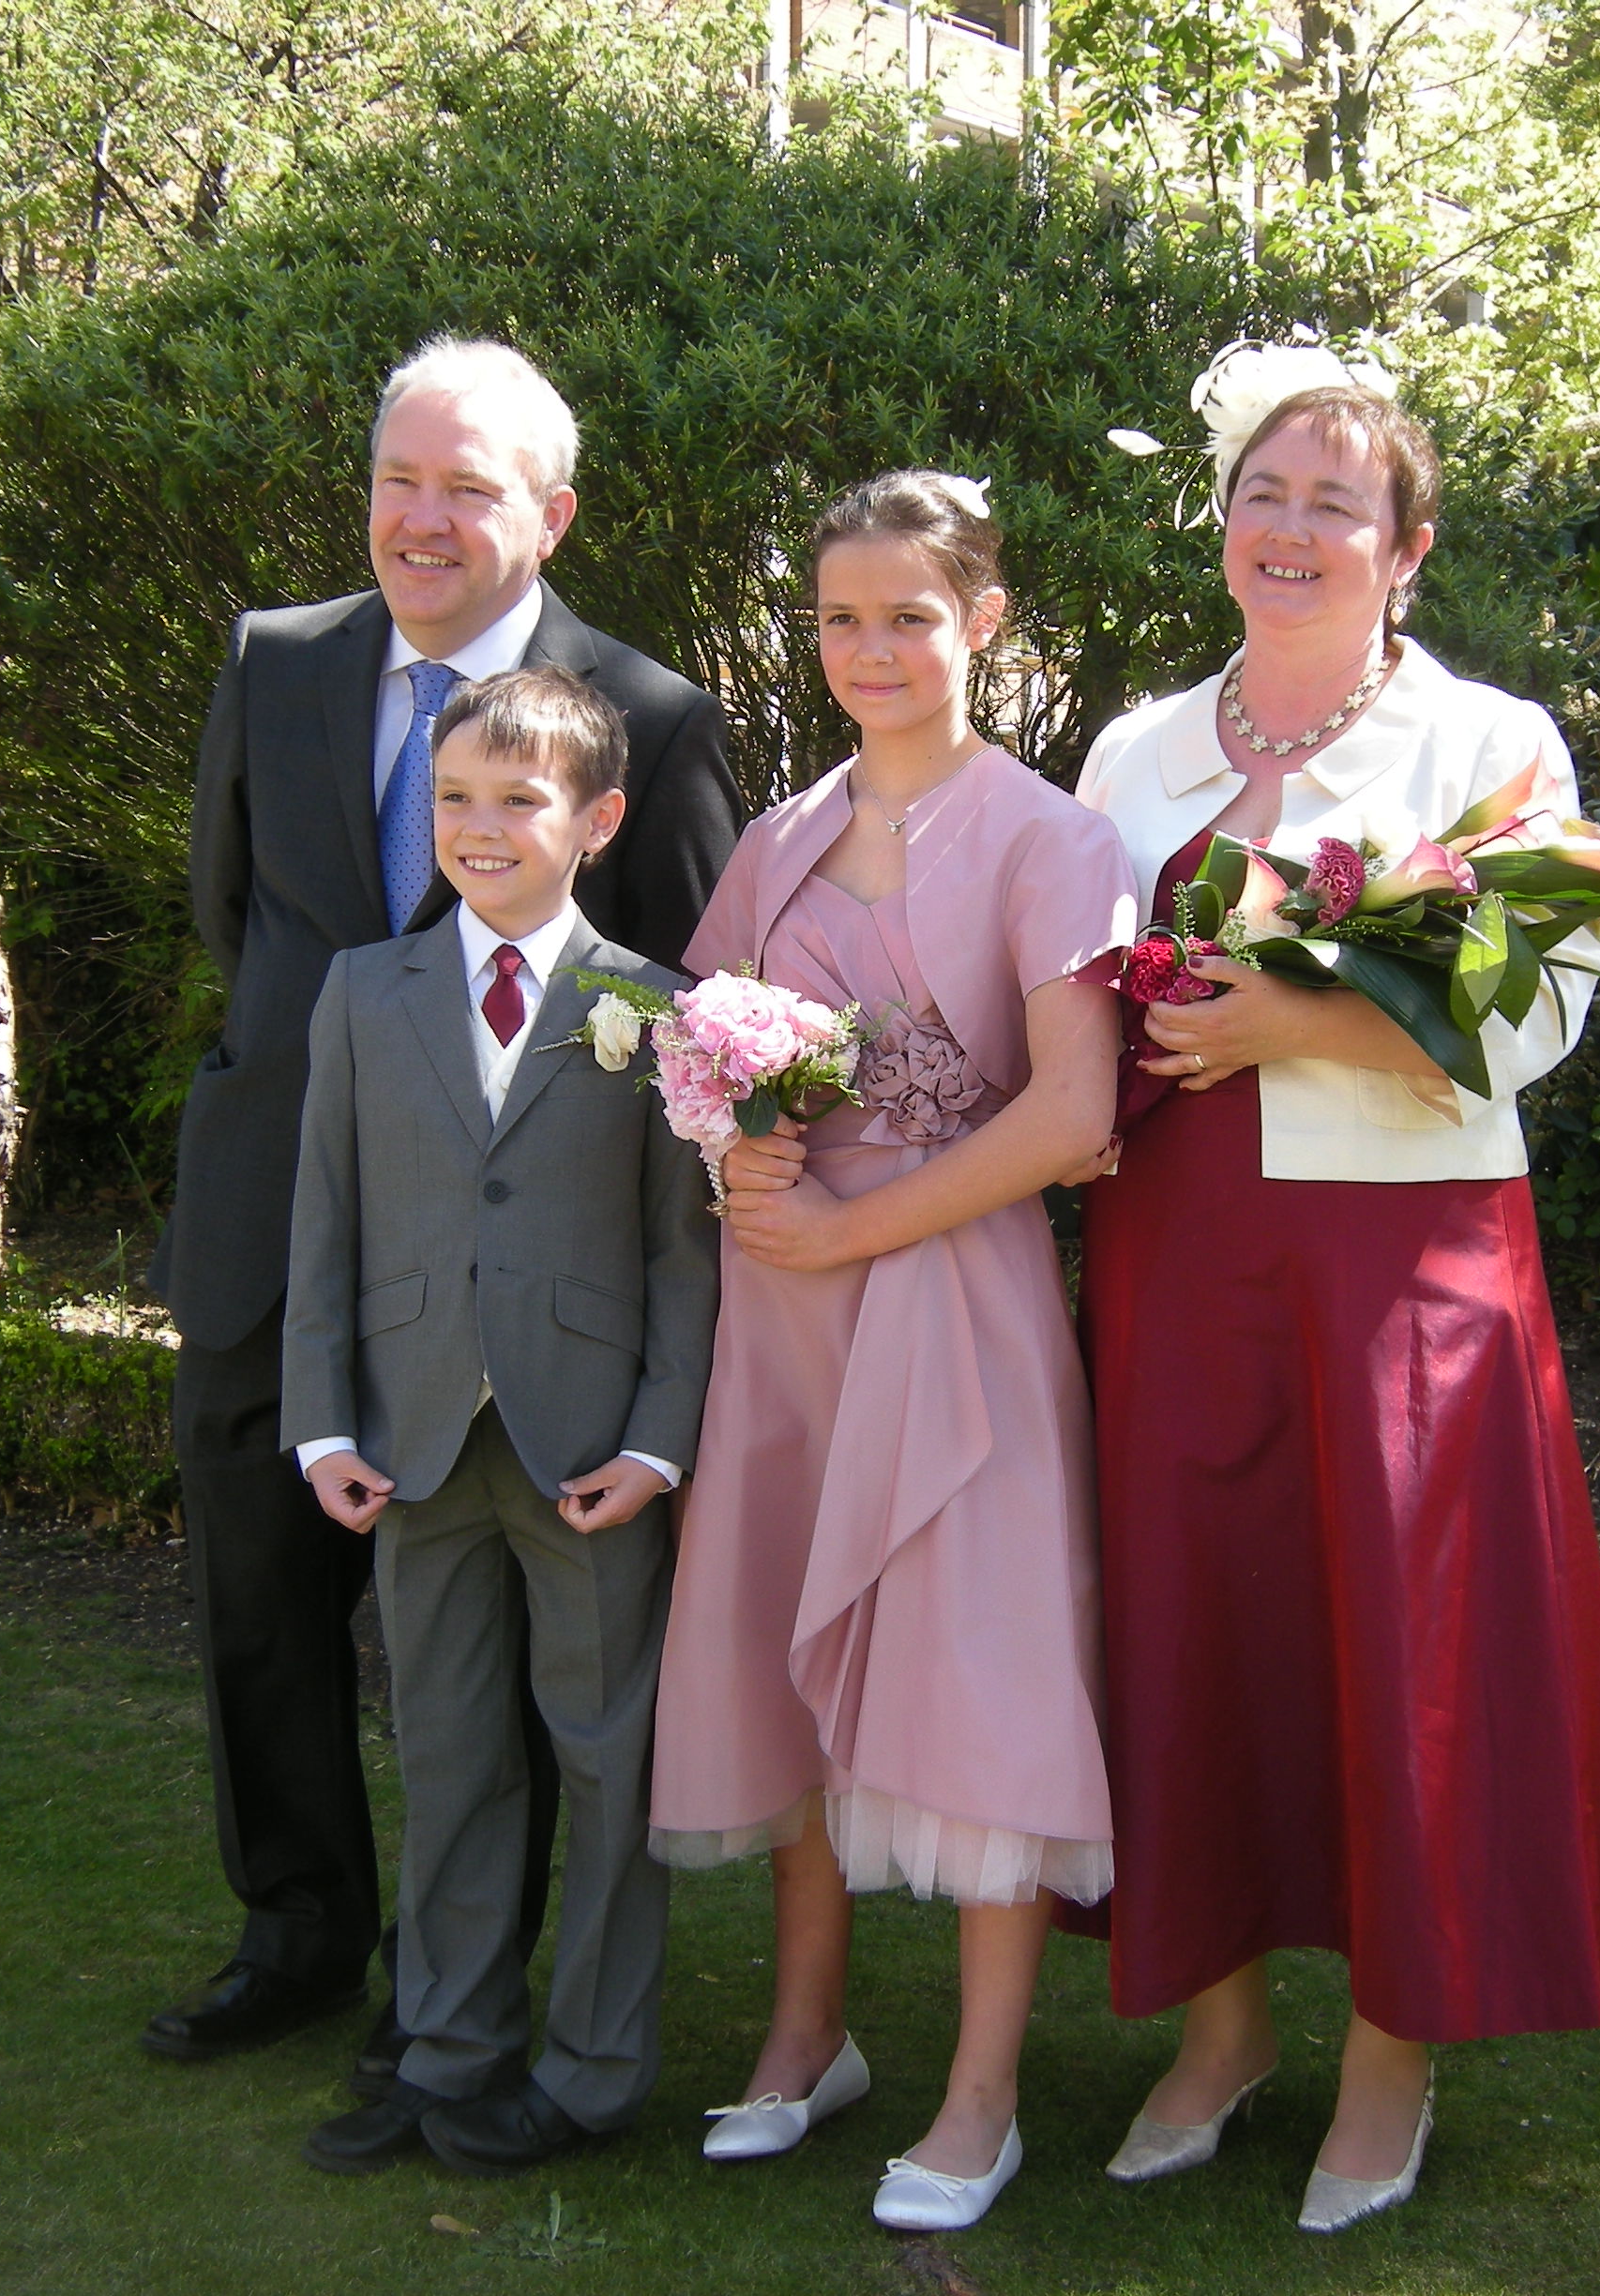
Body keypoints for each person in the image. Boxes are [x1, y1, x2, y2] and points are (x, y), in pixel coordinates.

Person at [1067, 348, 1600, 2234]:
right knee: (1191, 1624)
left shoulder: (1491, 749)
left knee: (1405, 1651)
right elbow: (1070, 991)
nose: (1292, 528)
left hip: (1407, 1271)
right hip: (1180, 1256)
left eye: (1335, 501)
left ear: (1406, 542)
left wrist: (1286, 1014)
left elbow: (1532, 1014)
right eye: (1263, 493)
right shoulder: (1134, 750)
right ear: (1222, 525)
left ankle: (1390, 2068)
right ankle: (1220, 2033)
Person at [143, 338, 739, 2079]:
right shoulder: (279, 665)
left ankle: (464, 1987)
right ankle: (302, 1932)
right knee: (259, 1604)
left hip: (527, 1300)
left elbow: (685, 1013)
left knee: (501, 1651)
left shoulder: (649, 712)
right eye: (398, 479)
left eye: (466, 487)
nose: (421, 519)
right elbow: (231, 918)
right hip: (283, 1231)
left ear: (549, 515)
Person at [648, 471, 1134, 2233]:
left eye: (910, 617)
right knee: (785, 1636)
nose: (873, 650)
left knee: (979, 1661)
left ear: (982, 624)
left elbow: (1077, 1113)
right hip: (786, 1308)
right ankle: (803, 2034)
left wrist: (854, 1220)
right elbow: (699, 1044)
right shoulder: (777, 837)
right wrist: (739, 1146)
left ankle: (984, 2091)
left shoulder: (1051, 837)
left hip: (949, 1293)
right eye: (843, 617)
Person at [280, 665, 718, 2176]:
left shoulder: (652, 1009)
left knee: (607, 1763)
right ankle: (449, 2047)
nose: (481, 825)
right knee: (453, 1753)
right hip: (411, 1441)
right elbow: (322, 1220)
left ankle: (594, 2068)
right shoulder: (364, 990)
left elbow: (682, 1249)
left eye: (518, 799)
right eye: (456, 797)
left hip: (589, 1448)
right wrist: (322, 1423)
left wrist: (661, 1444)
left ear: (593, 820)